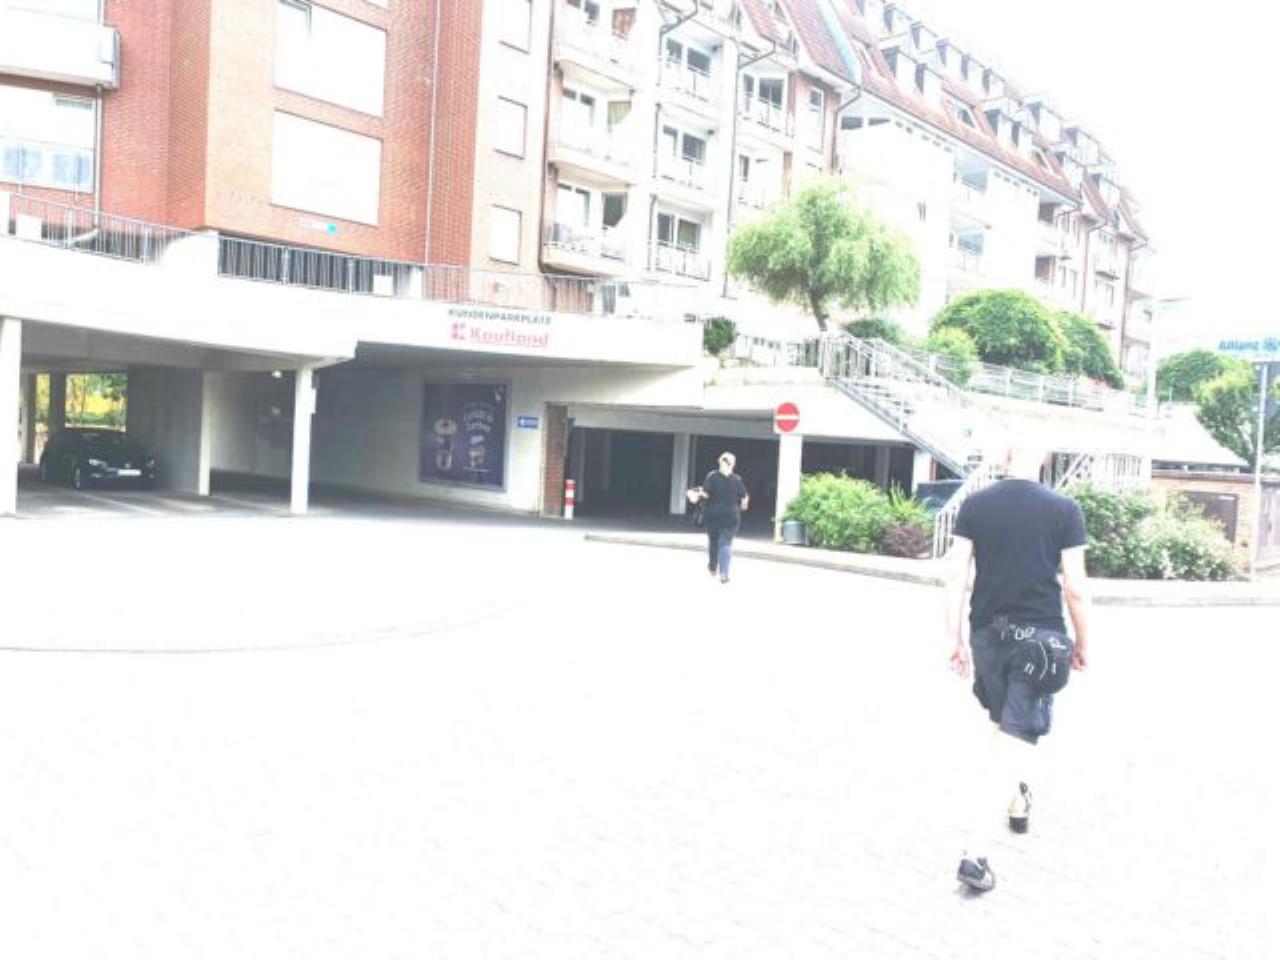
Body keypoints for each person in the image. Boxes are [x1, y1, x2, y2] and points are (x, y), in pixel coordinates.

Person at [943, 446, 1091, 893]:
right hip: (1039, 640)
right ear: (1042, 459)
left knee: (1003, 726)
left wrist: (954, 637)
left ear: (1004, 459)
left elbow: (955, 575)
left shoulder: (975, 505)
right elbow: (1075, 587)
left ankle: (1017, 800)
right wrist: (1083, 641)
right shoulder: (1064, 509)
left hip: (987, 634)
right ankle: (975, 854)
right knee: (1012, 741)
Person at [700, 452, 749, 584]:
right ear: (733, 464)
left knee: (713, 541)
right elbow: (744, 497)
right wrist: (743, 505)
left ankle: (712, 567)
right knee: (725, 543)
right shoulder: (737, 479)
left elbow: (705, 494)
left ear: (719, 462)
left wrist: (697, 495)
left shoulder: (711, 476)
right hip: (731, 516)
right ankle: (724, 573)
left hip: (712, 515)